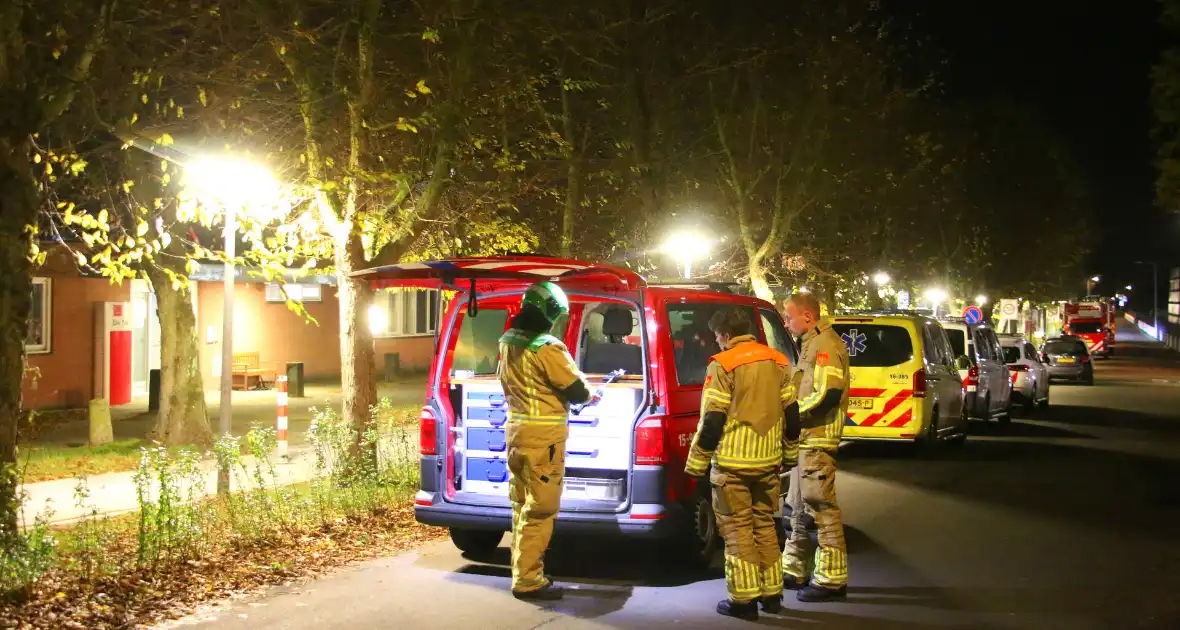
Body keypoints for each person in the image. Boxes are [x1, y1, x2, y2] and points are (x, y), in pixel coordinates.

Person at [684, 307, 799, 621]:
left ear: (723, 335)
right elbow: (792, 414)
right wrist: (789, 455)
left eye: (717, 337)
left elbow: (712, 421)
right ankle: (772, 595)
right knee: (765, 526)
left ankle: (743, 601)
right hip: (769, 462)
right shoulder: (778, 360)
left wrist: (696, 465)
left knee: (737, 532)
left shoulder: (723, 364)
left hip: (733, 465)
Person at [497, 281, 600, 601]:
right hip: (544, 441)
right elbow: (575, 389)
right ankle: (528, 580)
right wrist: (590, 393)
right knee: (541, 509)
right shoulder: (548, 347)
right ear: (549, 313)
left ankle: (521, 570)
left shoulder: (508, 341)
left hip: (516, 434)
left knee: (521, 506)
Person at [780, 292, 851, 602]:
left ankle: (832, 579)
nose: (785, 321)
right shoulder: (811, 343)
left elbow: (827, 394)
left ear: (807, 316)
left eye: (789, 316)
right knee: (795, 508)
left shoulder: (825, 346)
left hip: (818, 439)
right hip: (805, 440)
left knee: (820, 508)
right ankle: (794, 568)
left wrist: (790, 416)